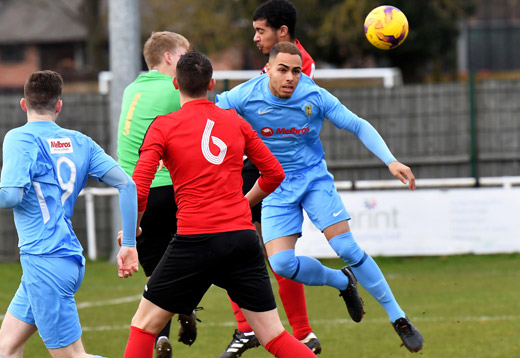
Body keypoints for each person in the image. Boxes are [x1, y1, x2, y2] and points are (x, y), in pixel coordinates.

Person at [216, 42, 424, 353]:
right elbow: (206, 118)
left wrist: (391, 160)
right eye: (283, 70)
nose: (290, 77)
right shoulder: (243, 96)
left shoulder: (313, 95)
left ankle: (399, 318)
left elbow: (357, 124)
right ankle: (343, 282)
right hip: (274, 184)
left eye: (296, 71)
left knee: (346, 246)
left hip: (314, 180)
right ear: (268, 69)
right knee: (283, 265)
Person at [123, 50, 317, 358]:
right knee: (273, 335)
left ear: (176, 84)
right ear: (212, 83)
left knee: (144, 325)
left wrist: (131, 233)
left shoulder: (163, 126)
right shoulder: (235, 121)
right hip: (241, 238)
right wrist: (243, 202)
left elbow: (139, 188)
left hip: (194, 240)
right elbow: (274, 173)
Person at [0, 70, 139, 358]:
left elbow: (11, 195)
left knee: (72, 357)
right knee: (6, 346)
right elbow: (127, 184)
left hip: (45, 261)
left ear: (24, 104)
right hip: (64, 258)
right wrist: (130, 244)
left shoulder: (19, 138)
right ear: (59, 105)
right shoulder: (81, 142)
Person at [221, 1, 320, 357]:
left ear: (282, 32)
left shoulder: (296, 64)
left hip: (271, 169)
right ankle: (291, 332)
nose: (255, 36)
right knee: (252, 248)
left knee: (246, 246)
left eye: (260, 30)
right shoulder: (287, 61)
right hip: (259, 164)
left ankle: (273, 330)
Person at [116, 31, 197, 355]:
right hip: (167, 188)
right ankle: (189, 306)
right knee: (198, 257)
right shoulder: (174, 89)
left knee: (160, 271)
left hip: (133, 195)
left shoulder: (130, 89)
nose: (187, 62)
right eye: (184, 55)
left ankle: (160, 333)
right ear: (168, 58)